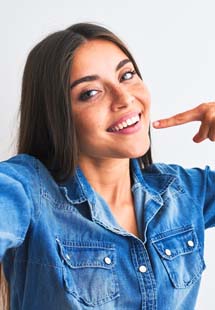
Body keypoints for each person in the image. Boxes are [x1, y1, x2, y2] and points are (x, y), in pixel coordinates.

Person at [0, 22, 215, 310]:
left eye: (126, 75)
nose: (125, 98)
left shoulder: (183, 191)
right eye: (90, 93)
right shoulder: (25, 189)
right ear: (57, 116)